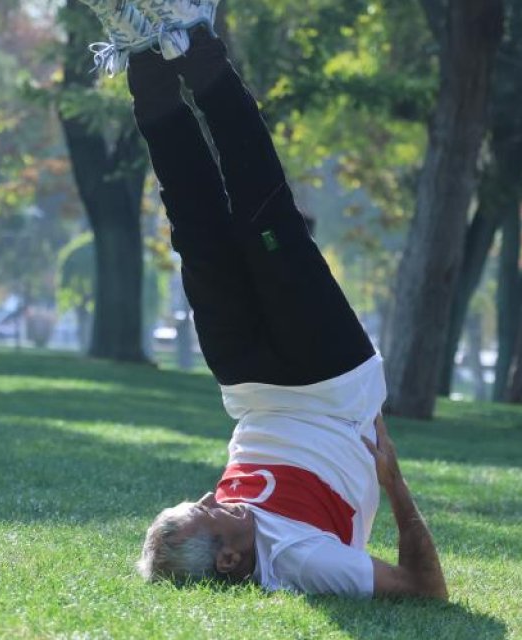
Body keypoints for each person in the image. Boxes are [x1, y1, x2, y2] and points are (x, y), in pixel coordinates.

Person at [76, 0, 447, 599]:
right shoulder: (303, 560)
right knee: (264, 212)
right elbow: (427, 592)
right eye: (206, 512)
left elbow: (218, 508)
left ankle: (144, 54)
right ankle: (196, 42)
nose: (209, 495)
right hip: (331, 387)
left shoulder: (228, 527)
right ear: (228, 561)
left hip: (249, 389)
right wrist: (396, 486)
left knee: (196, 232)